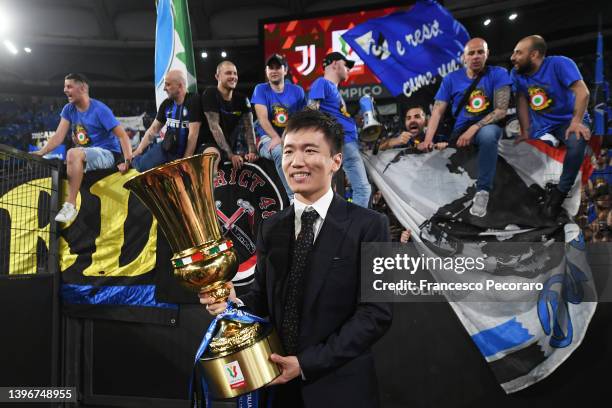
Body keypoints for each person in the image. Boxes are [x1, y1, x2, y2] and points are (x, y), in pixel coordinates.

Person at [200, 109, 392, 407]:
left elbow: (375, 315)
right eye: (289, 151)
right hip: (279, 392)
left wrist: (304, 364)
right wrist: (231, 301)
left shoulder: (372, 225)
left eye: (310, 150)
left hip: (341, 390)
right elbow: (263, 298)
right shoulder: (270, 226)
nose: (297, 161)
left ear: (336, 162)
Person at [418, 38, 511, 218]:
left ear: (487, 54)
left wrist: (474, 128)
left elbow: (501, 110)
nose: (476, 56)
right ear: (464, 57)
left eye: (480, 52)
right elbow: (437, 111)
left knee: (488, 134)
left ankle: (483, 192)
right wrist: (428, 140)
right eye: (471, 53)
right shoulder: (451, 79)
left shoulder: (498, 73)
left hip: (486, 127)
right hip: (459, 133)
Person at [33, 73, 132, 223]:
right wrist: (40, 152)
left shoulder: (100, 109)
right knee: (68, 158)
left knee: (72, 153)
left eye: (69, 86)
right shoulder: (69, 109)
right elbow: (58, 136)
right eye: (64, 86)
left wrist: (127, 161)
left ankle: (70, 205)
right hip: (86, 153)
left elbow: (123, 136)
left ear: (83, 88)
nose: (65, 90)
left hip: (107, 154)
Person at [510, 35, 591, 218]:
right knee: (527, 153)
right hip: (543, 127)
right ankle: (532, 197)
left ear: (534, 55)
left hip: (569, 120)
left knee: (576, 142)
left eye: (518, 53)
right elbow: (521, 100)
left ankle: (560, 193)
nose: (513, 57)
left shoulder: (560, 64)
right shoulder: (516, 73)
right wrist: (524, 131)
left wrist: (576, 121)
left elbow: (583, 92)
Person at [307, 52, 372, 208]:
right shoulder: (322, 83)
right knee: (363, 189)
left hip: (347, 142)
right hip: (342, 141)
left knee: (336, 192)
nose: (348, 69)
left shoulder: (335, 91)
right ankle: (353, 229)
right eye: (346, 64)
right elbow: (311, 112)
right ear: (335, 64)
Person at [252, 54, 306, 200]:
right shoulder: (260, 89)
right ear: (266, 71)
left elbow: (302, 119)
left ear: (285, 70)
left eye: (278, 67)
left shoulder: (297, 91)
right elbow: (262, 118)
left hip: (291, 137)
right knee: (279, 151)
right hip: (267, 138)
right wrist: (276, 137)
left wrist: (286, 137)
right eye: (270, 67)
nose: (274, 70)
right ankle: (293, 197)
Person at [131, 70, 200, 171]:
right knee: (141, 166)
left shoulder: (193, 101)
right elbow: (153, 129)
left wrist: (185, 161)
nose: (164, 88)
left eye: (168, 85)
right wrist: (138, 151)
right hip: (166, 149)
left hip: (184, 153)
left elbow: (193, 134)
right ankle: (131, 161)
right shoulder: (166, 104)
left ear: (180, 86)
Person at [197, 60, 257, 170]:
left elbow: (249, 128)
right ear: (217, 76)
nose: (233, 76)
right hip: (209, 144)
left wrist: (252, 152)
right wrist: (230, 155)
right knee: (213, 157)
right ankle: (210, 187)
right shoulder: (210, 93)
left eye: (235, 73)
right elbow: (214, 127)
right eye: (228, 73)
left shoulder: (242, 99)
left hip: (231, 146)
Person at [379, 105, 447, 151]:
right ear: (405, 123)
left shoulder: (437, 137)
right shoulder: (400, 138)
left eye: (417, 117)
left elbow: (452, 147)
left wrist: (444, 147)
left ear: (426, 121)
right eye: (408, 118)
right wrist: (394, 141)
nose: (412, 120)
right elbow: (377, 149)